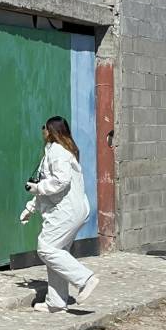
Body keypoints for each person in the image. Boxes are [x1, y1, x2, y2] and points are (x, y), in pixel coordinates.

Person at [21, 116, 100, 313]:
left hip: (66, 211)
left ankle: (85, 279)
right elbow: (48, 186)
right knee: (56, 253)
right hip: (71, 209)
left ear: (50, 131)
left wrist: (38, 187)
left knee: (46, 249)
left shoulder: (57, 151)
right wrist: (31, 208)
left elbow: (60, 181)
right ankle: (56, 302)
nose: (42, 131)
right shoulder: (59, 151)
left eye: (44, 128)